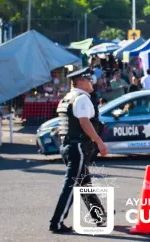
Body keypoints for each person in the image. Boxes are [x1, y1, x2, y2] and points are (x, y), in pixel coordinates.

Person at [49, 68, 109, 234]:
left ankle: (100, 218)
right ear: (81, 82)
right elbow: (84, 122)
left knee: (84, 183)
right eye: (88, 80)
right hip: (78, 147)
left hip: (69, 145)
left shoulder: (68, 98)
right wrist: (99, 142)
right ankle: (56, 222)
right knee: (72, 185)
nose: (91, 82)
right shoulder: (81, 99)